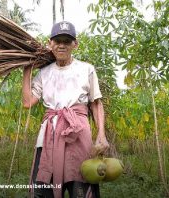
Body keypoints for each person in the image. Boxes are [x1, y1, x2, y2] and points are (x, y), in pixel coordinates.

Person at [22, 21, 109, 198]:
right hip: (49, 135)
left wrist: (101, 135)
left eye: (67, 41)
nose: (61, 45)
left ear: (75, 44)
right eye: (57, 40)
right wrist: (26, 71)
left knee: (81, 187)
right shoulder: (44, 73)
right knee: (42, 189)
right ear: (50, 43)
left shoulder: (86, 69)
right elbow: (28, 102)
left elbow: (96, 103)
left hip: (78, 133)